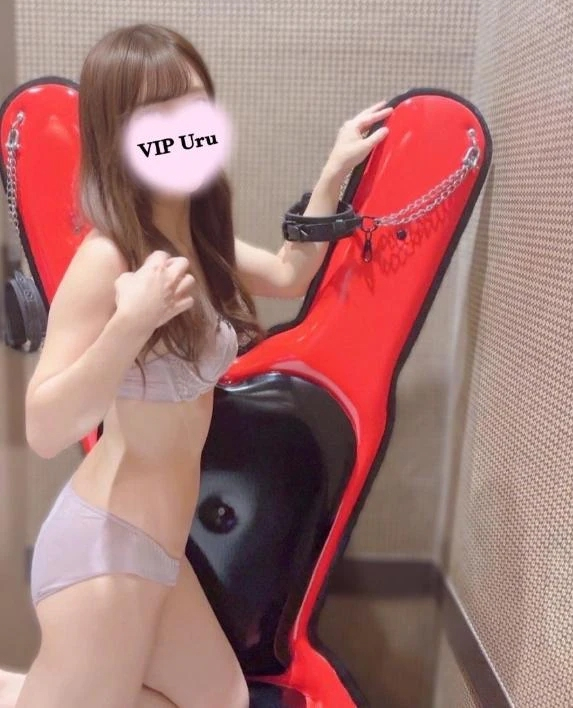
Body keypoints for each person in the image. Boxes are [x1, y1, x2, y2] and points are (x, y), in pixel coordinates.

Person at [1, 22, 391, 708]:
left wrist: (334, 173)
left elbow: (289, 274)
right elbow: (44, 428)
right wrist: (129, 324)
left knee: (221, 699)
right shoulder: (108, 257)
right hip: (105, 551)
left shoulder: (195, 236)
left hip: (160, 548)